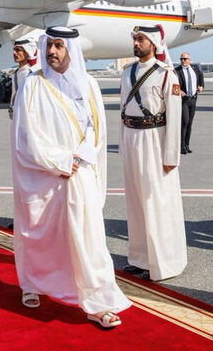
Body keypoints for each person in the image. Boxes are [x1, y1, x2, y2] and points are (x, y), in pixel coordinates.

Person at [11, 26, 131, 329]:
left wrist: (81, 156)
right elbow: (26, 136)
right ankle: (34, 284)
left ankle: (99, 303)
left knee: (90, 241)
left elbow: (96, 128)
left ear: (71, 50)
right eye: (49, 45)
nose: (52, 52)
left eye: (59, 46)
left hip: (81, 173)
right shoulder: (33, 86)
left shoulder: (88, 84)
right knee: (40, 237)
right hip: (46, 175)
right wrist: (61, 161)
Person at [120, 25, 186, 281]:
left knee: (156, 201)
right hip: (131, 138)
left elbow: (175, 117)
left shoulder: (166, 75)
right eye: (135, 39)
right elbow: (123, 113)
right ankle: (139, 258)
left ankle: (164, 261)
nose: (136, 43)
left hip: (154, 140)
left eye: (141, 39)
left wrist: (171, 156)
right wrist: (122, 143)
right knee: (135, 201)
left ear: (154, 44)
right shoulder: (127, 72)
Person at [174, 51, 203, 154]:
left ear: (189, 60)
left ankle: (187, 145)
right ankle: (181, 146)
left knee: (190, 123)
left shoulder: (195, 68)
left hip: (193, 99)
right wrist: (178, 91)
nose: (183, 61)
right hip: (184, 100)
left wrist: (201, 86)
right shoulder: (177, 71)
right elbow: (173, 84)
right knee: (184, 122)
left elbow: (200, 77)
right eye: (181, 59)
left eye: (185, 59)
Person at [9, 37, 39, 118]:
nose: (14, 53)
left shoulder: (33, 73)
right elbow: (14, 95)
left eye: (18, 50)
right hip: (17, 115)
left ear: (27, 52)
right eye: (14, 50)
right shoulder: (16, 73)